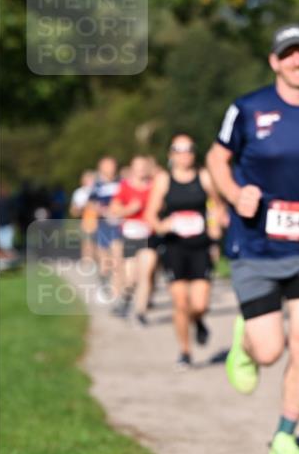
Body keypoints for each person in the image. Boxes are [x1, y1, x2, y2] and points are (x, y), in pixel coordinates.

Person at [208, 24, 299, 454]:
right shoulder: (247, 108)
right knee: (270, 351)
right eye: (288, 54)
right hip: (256, 246)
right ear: (274, 61)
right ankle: (246, 343)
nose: (296, 61)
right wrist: (231, 192)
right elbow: (216, 159)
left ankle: (285, 435)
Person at [145, 134, 225, 369]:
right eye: (178, 150)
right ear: (171, 154)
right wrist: (161, 226)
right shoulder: (163, 180)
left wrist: (215, 225)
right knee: (180, 303)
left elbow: (218, 206)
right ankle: (185, 351)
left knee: (200, 304)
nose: (184, 154)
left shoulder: (204, 176)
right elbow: (151, 213)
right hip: (174, 246)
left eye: (189, 149)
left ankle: (198, 321)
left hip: (200, 246)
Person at [109, 156, 156, 320]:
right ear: (132, 168)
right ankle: (125, 298)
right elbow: (114, 209)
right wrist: (130, 209)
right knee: (131, 278)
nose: (141, 169)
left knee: (146, 274)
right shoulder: (125, 187)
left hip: (149, 236)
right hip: (130, 235)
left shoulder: (154, 187)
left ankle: (141, 312)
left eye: (144, 166)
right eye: (138, 166)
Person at [87, 156, 122, 303]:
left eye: (111, 165)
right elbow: (91, 203)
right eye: (106, 165)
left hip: (118, 225)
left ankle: (117, 293)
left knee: (117, 258)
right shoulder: (97, 185)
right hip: (103, 226)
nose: (109, 168)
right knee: (105, 262)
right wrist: (102, 210)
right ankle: (104, 283)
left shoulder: (121, 182)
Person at [70, 170, 97, 264]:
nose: (89, 181)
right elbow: (74, 210)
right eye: (87, 179)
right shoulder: (79, 192)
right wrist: (82, 208)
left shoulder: (98, 190)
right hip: (86, 219)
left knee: (99, 243)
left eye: (91, 179)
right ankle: (87, 262)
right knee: (87, 242)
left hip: (100, 219)